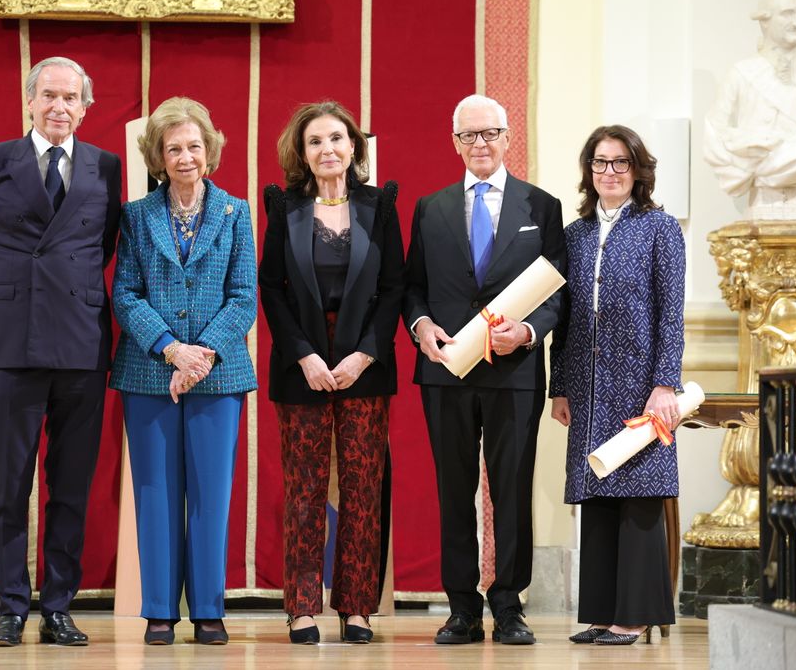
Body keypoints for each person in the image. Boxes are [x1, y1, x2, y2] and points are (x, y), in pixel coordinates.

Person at [0, 56, 121, 647]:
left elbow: (102, 246)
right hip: (10, 344)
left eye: (71, 98)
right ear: (29, 101)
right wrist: (1, 303)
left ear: (85, 106)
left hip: (80, 343)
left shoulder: (106, 165)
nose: (60, 107)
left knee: (70, 484)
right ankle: (10, 605)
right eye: (49, 95)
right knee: (7, 482)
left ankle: (58, 605)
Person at [403, 94, 565, 645]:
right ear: (455, 143)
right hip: (447, 371)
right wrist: (422, 327)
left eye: (489, 133)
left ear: (507, 137)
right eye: (468, 136)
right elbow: (413, 287)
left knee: (512, 489)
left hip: (514, 370)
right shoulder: (431, 207)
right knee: (454, 490)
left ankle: (509, 605)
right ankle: (462, 608)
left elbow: (556, 290)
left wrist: (528, 331)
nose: (480, 144)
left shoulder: (541, 207)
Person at [110, 97, 257, 646]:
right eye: (174, 148)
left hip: (219, 376)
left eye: (194, 146)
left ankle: (210, 610)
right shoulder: (136, 215)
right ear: (158, 157)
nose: (186, 156)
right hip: (150, 371)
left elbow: (244, 297)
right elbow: (125, 294)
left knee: (211, 494)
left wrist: (202, 355)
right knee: (155, 493)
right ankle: (158, 612)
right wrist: (173, 350)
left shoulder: (236, 211)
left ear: (210, 150)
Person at [259, 100, 403, 645]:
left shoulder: (379, 205)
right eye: (315, 141)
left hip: (364, 363)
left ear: (353, 147)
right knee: (304, 489)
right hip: (303, 366)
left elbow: (394, 288)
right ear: (302, 152)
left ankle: (357, 606)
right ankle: (301, 607)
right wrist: (305, 355)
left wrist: (364, 353)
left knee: (364, 489)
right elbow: (271, 289)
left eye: (337, 139)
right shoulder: (283, 206)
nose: (327, 150)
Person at [550, 125, 685, 645]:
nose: (609, 172)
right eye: (600, 163)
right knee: (598, 493)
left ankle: (637, 614)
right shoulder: (574, 234)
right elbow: (562, 319)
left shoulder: (660, 228)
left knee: (641, 495)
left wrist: (665, 384)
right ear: (589, 171)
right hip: (586, 381)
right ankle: (603, 613)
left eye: (620, 163)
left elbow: (671, 314)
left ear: (638, 171)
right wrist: (558, 385)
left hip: (641, 383)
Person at [704, 0, 796, 218]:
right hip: (764, 201)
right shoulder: (743, 73)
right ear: (764, 21)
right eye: (787, 14)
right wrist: (756, 144)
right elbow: (715, 134)